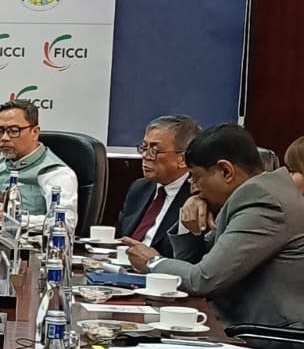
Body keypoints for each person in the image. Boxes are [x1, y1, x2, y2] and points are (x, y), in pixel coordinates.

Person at [124, 124, 304, 327]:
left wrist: (152, 262)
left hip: (260, 334)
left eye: (196, 177)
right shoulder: (255, 193)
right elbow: (194, 265)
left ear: (226, 171)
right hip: (230, 322)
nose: (194, 188)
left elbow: (202, 280)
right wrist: (188, 222)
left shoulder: (263, 202)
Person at [0, 99, 78, 228]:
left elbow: (64, 223)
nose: (4, 138)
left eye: (14, 131)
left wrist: (14, 219)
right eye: (0, 131)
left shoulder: (56, 172)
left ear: (35, 132)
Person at [116, 115, 198, 253]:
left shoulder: (196, 197)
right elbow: (120, 238)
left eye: (154, 151)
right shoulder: (139, 188)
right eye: (144, 147)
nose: (145, 156)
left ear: (182, 159)